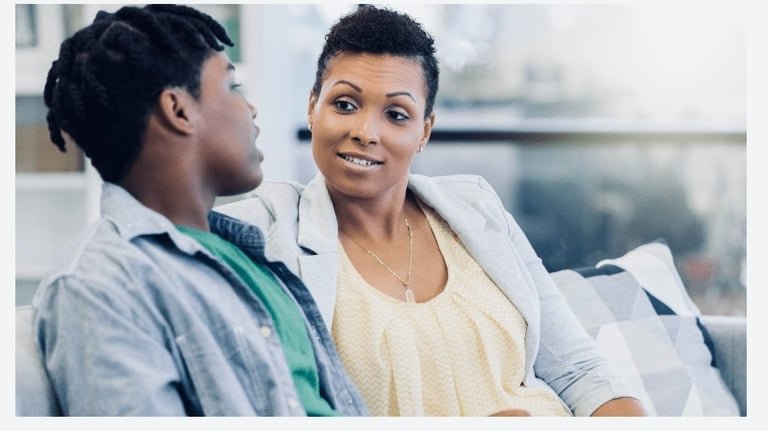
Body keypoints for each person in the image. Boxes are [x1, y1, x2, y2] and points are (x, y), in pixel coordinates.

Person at [218, 5, 646, 417]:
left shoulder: (477, 210)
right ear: (313, 107)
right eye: (345, 104)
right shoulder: (269, 234)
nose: (365, 132)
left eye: (396, 114)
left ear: (424, 130)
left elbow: (582, 371)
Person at [32, 4, 368, 416]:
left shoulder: (245, 252)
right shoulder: (97, 284)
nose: (251, 108)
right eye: (232, 88)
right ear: (178, 110)